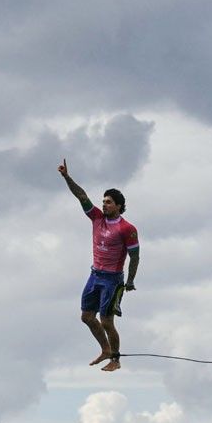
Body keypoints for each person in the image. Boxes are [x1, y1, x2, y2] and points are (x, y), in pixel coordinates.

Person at [58, 158, 140, 372]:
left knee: (106, 321)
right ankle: (105, 350)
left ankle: (116, 359)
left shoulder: (127, 228)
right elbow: (82, 196)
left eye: (109, 202)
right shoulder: (96, 218)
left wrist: (130, 281)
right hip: (95, 275)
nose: (104, 205)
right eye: (103, 201)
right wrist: (67, 177)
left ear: (119, 206)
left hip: (113, 280)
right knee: (86, 317)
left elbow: (135, 256)